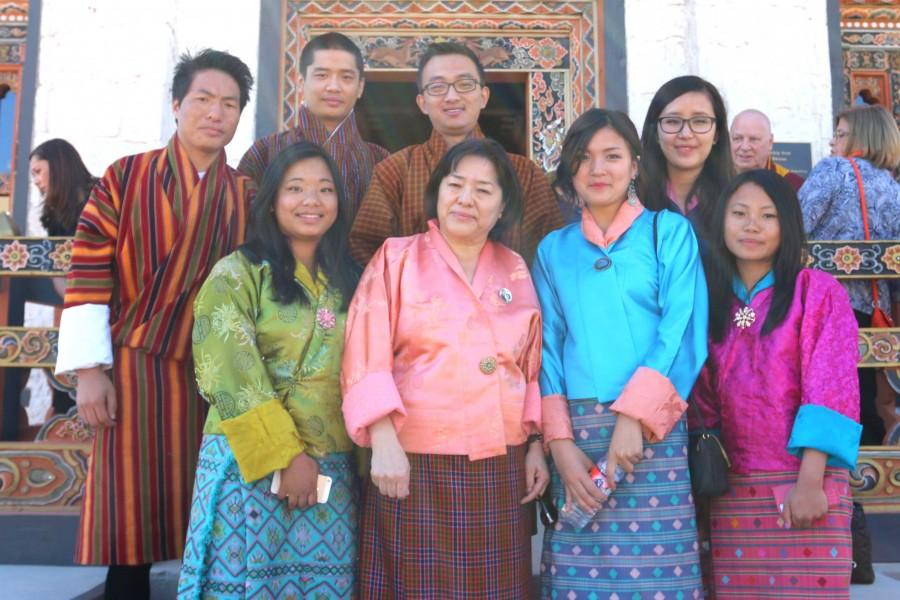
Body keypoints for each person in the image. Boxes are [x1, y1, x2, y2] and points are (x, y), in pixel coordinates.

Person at [53, 49, 255, 600]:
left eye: (230, 104)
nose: (216, 112)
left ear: (240, 116)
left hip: (210, 373)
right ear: (176, 105)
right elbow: (90, 268)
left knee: (210, 499)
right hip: (133, 365)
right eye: (204, 99)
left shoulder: (244, 194)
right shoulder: (125, 177)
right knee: (129, 513)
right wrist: (90, 371)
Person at [341, 138, 549, 599]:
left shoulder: (514, 267)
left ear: (502, 208)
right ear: (437, 192)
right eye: (455, 185)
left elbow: (529, 365)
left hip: (501, 459)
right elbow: (364, 348)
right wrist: (382, 439)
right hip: (413, 459)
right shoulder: (397, 257)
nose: (466, 199)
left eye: (483, 190)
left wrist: (536, 443)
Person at [534, 109, 708, 599]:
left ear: (635, 165)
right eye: (584, 158)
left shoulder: (668, 233)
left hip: (652, 434)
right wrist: (560, 445)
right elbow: (545, 348)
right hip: (579, 435)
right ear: (570, 171)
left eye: (612, 156)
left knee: (658, 577)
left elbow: (681, 334)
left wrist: (636, 418)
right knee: (577, 579)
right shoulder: (553, 249)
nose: (598, 169)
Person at [177, 142, 361, 598]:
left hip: (331, 469)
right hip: (252, 461)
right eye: (295, 188)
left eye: (324, 190)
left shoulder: (352, 279)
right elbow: (228, 369)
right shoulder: (237, 274)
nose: (311, 202)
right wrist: (286, 455)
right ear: (272, 199)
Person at [693, 169, 861, 598]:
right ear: (721, 222)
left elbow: (830, 386)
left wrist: (810, 481)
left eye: (768, 216)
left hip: (804, 479)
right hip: (731, 489)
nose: (752, 225)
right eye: (740, 213)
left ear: (788, 225)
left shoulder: (817, 292)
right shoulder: (708, 297)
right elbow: (701, 395)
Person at [349, 41, 561, 265]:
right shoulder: (394, 171)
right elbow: (366, 247)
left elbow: (551, 255)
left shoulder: (524, 173)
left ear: (484, 96)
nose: (452, 96)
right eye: (438, 87)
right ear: (422, 102)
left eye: (464, 84)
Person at [799, 104, 900, 445]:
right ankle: (870, 478)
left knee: (827, 396)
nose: (833, 143)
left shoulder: (834, 171)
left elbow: (795, 225)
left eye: (841, 134)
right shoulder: (893, 187)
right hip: (877, 314)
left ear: (861, 137)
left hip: (826, 307)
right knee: (868, 399)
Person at [239, 32, 388, 213]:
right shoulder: (263, 152)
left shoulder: (382, 162)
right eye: (322, 75)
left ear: (360, 87)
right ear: (301, 83)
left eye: (346, 77)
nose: (333, 87)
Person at [29, 138, 98, 414]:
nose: (35, 180)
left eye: (38, 171)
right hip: (74, 310)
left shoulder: (104, 198)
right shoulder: (56, 216)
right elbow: (62, 277)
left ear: (57, 166)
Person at [640, 75, 734, 240]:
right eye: (673, 121)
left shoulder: (737, 199)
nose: (686, 134)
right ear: (655, 132)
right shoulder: (631, 197)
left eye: (699, 121)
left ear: (716, 134)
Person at [730, 109, 805, 192]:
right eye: (737, 138)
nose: (744, 147)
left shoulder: (794, 186)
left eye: (753, 139)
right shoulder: (715, 180)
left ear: (770, 142)